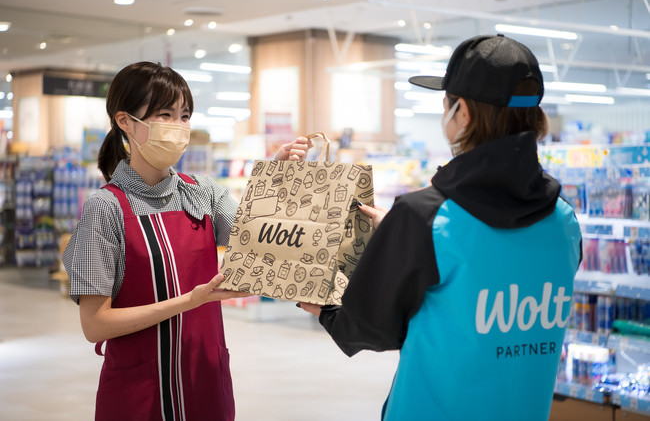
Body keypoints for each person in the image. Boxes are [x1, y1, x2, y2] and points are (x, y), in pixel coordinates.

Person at [300, 34, 582, 421]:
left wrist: (324, 305)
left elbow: (367, 328)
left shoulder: (424, 217)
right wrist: (402, 240)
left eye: (446, 101)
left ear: (461, 112)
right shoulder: (564, 220)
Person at [63, 61, 311, 421]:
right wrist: (190, 301)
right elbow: (95, 325)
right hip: (139, 394)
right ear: (125, 122)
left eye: (185, 116)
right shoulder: (105, 208)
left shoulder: (204, 193)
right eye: (166, 114)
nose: (179, 127)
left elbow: (260, 244)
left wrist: (277, 176)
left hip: (206, 384)